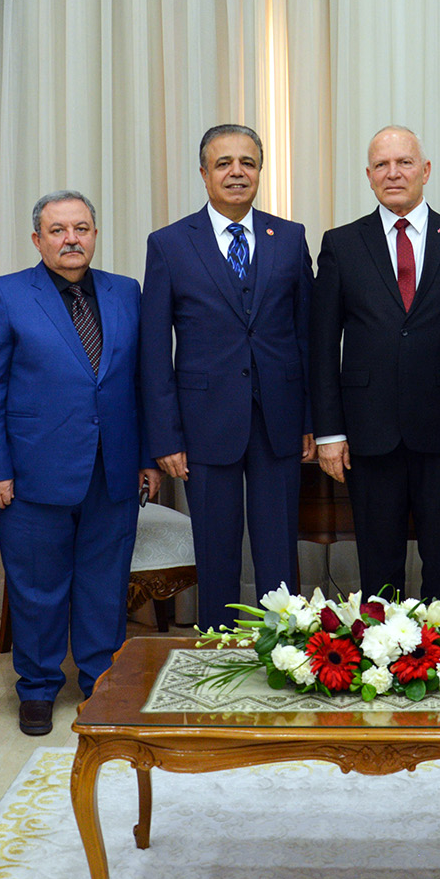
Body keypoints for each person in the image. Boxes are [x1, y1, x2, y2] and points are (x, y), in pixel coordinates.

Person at [0, 191, 162, 736]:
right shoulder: (4, 294)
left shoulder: (126, 292)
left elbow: (142, 381)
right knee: (36, 588)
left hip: (113, 470)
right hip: (31, 473)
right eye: (58, 230)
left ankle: (101, 680)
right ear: (38, 239)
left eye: (81, 228)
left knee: (105, 584)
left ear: (95, 234)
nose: (71, 239)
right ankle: (37, 687)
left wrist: (147, 457)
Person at [309, 126, 440, 628]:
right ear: (369, 176)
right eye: (382, 165)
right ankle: (383, 656)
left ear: (425, 170)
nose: (393, 173)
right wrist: (329, 432)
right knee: (379, 564)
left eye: (405, 162)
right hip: (368, 434)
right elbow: (322, 348)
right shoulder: (341, 245)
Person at [140, 125, 315, 631]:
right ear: (204, 173)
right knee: (215, 551)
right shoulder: (169, 244)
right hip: (204, 423)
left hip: (279, 421)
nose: (237, 172)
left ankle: (284, 649)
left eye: (247, 163)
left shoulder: (290, 238)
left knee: (279, 551)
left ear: (260, 171)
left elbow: (306, 338)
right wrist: (165, 437)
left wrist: (310, 420)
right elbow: (155, 351)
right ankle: (217, 651)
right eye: (223, 164)